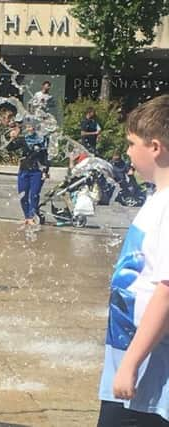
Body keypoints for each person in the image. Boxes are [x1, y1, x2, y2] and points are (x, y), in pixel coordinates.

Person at [97, 95, 169, 425]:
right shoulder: (156, 196)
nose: (127, 151)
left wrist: (131, 364)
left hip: (148, 373)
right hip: (131, 358)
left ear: (155, 147)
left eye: (131, 143)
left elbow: (166, 292)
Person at [6, 123, 49, 226]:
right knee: (22, 195)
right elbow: (9, 148)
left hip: (37, 172)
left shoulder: (41, 140)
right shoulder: (23, 139)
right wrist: (12, 138)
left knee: (34, 195)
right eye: (29, 127)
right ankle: (27, 216)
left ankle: (32, 217)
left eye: (33, 127)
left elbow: (46, 157)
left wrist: (45, 171)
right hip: (24, 170)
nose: (31, 128)